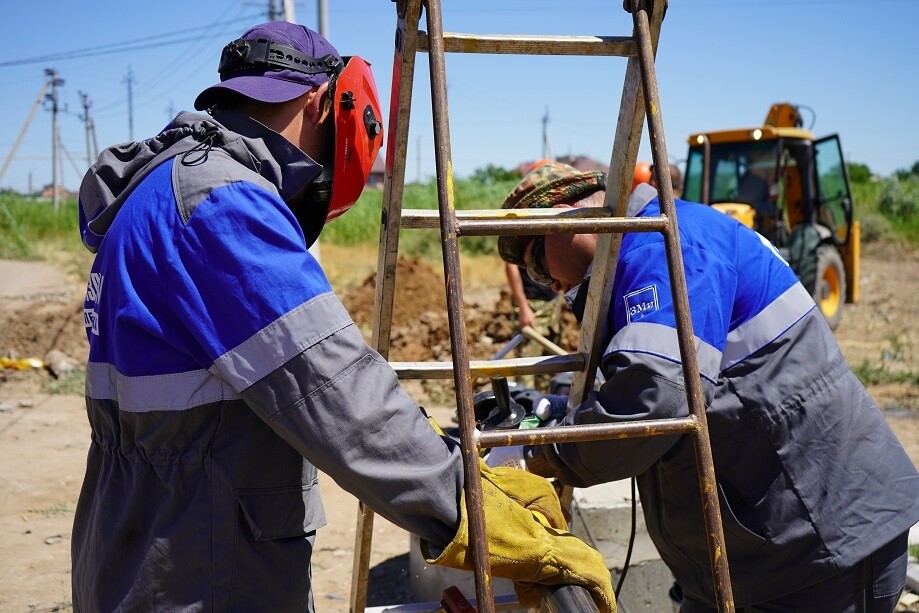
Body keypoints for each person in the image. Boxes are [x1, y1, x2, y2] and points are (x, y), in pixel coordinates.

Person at [72, 22, 614, 612]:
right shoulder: (222, 204)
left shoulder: (157, 195)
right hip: (202, 574)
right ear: (324, 100)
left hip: (143, 545)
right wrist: (484, 516)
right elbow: (341, 396)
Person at [492, 161, 919, 612]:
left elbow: (656, 402)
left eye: (537, 264)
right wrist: (561, 415)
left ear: (565, 216)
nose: (551, 285)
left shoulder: (663, 246)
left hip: (818, 551)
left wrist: (539, 453)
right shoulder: (638, 255)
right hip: (759, 555)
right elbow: (652, 387)